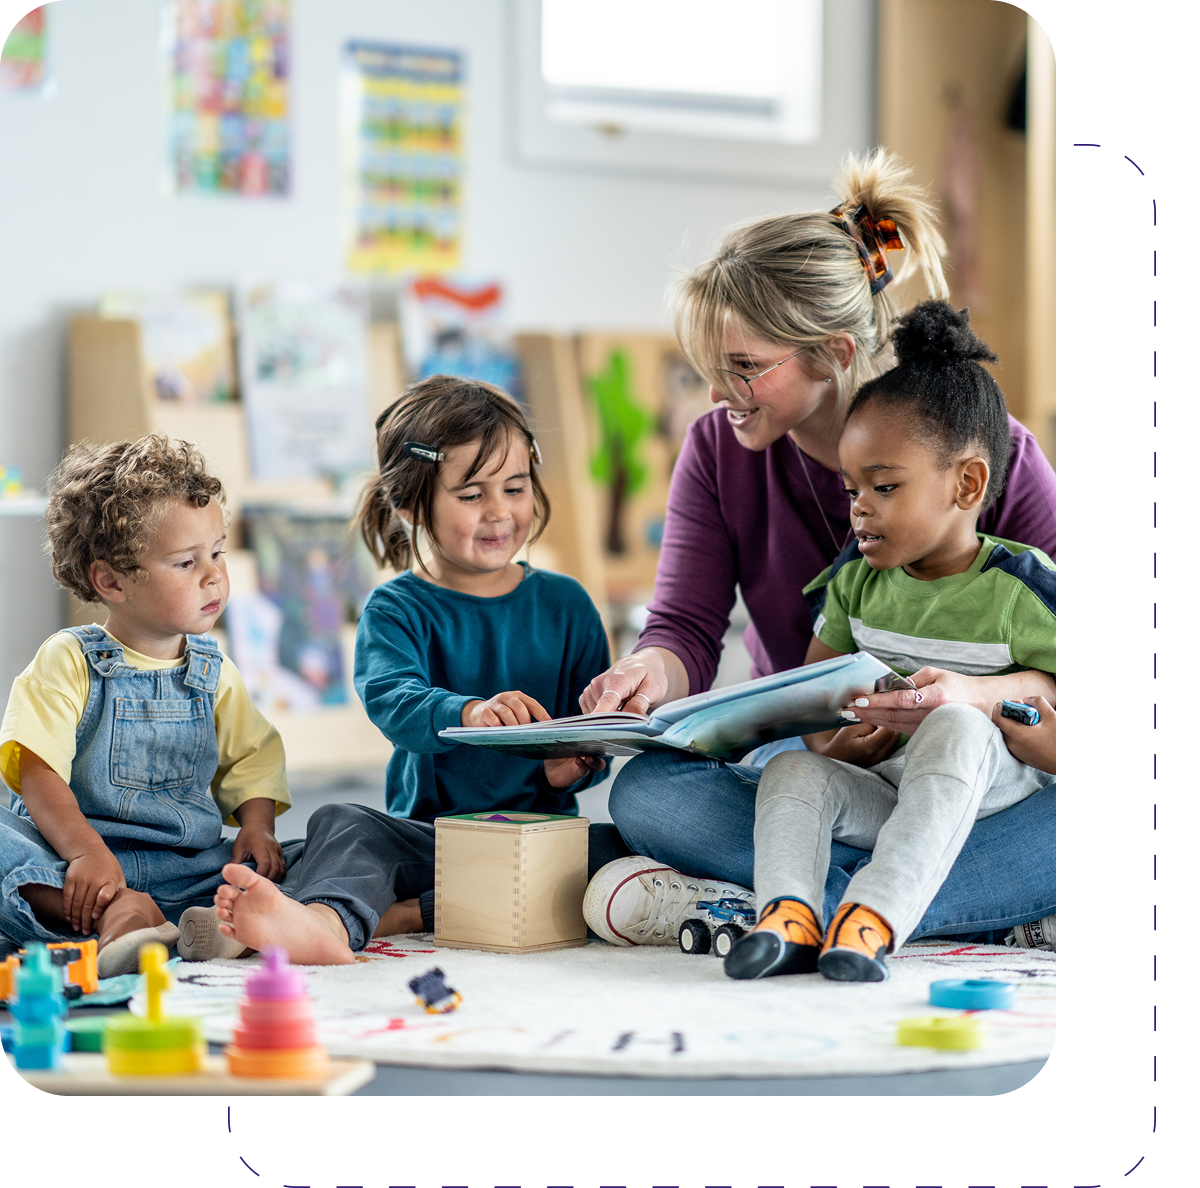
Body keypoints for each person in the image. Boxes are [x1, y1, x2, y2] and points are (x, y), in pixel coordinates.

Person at [581, 150, 1057, 949]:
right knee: (647, 793)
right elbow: (685, 629)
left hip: (986, 777)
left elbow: (1088, 675)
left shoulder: (983, 452)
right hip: (819, 762)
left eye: (744, 368)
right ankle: (894, 903)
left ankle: (792, 900)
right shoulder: (717, 450)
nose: (718, 393)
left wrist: (971, 698)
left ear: (834, 353)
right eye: (710, 369)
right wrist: (647, 673)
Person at [210, 376, 624, 964]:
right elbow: (393, 700)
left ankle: (406, 915)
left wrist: (570, 772)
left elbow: (589, 738)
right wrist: (468, 712)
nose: (500, 511)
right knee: (342, 824)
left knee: (628, 843)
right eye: (472, 494)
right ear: (409, 503)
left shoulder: (569, 605)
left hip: (538, 841)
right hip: (432, 839)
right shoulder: (395, 608)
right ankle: (325, 923)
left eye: (515, 487)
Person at [724, 300, 1054, 983]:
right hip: (887, 793)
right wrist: (837, 745)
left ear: (967, 484)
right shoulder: (854, 582)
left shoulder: (1022, 586)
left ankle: (871, 917)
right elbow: (816, 708)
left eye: (884, 486)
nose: (860, 508)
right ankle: (787, 916)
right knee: (788, 773)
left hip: (991, 801)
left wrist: (991, 705)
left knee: (958, 724)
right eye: (852, 490)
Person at [0, 436, 298, 975]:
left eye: (217, 552)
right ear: (111, 580)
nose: (213, 574)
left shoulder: (214, 671)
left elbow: (252, 758)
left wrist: (258, 829)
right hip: (75, 872)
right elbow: (37, 770)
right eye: (185, 562)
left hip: (189, 871)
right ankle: (129, 914)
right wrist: (86, 853)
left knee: (334, 839)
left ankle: (197, 919)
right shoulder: (68, 659)